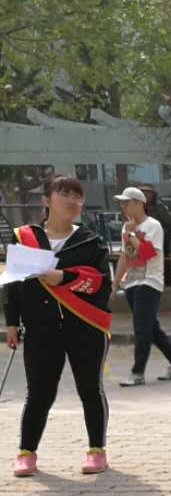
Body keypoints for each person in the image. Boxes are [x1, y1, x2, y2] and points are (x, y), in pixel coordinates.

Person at [5, 174, 113, 477]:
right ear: (46, 200)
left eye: (77, 196)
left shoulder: (91, 241)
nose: (72, 201)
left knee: (90, 389)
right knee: (39, 393)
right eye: (64, 194)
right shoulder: (25, 237)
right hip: (41, 328)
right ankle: (26, 453)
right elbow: (13, 284)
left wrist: (64, 277)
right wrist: (11, 322)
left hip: (86, 326)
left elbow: (102, 284)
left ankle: (96, 450)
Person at [114, 186, 171, 387]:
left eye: (127, 202)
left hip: (149, 281)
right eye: (121, 203)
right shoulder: (126, 227)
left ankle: (137, 373)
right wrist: (115, 283)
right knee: (151, 329)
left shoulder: (153, 226)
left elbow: (147, 253)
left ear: (139, 203)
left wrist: (131, 233)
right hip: (132, 282)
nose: (123, 207)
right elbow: (125, 256)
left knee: (142, 328)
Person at [138, 185, 171, 289]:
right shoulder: (139, 207)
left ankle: (167, 280)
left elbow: (169, 223)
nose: (146, 196)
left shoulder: (159, 207)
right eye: (143, 193)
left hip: (161, 238)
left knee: (163, 259)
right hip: (144, 238)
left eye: (148, 193)